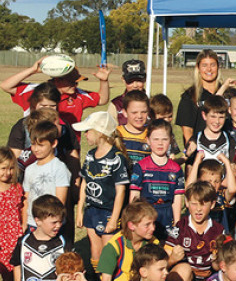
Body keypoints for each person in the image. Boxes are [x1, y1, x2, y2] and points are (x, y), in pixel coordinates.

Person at [74, 111, 130, 272]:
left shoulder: (116, 158)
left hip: (108, 212)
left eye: (88, 131)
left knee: (109, 252)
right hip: (91, 211)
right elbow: (85, 183)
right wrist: (80, 212)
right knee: (95, 251)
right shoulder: (91, 155)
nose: (85, 135)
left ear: (100, 133)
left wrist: (113, 219)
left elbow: (121, 192)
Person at [1, 56, 110, 130]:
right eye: (72, 82)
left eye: (77, 82)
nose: (76, 85)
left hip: (68, 151)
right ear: (58, 80)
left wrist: (104, 81)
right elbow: (6, 86)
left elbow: (102, 99)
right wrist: (32, 70)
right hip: (37, 148)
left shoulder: (78, 95)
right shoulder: (36, 91)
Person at [165, 181, 226, 281]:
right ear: (186, 203)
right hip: (185, 278)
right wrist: (173, 259)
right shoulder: (181, 227)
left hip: (207, 278)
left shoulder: (218, 230)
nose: (198, 209)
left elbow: (219, 266)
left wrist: (215, 260)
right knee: (184, 269)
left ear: (212, 204)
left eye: (203, 204)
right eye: (194, 204)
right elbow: (163, 260)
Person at [130, 119, 184, 236]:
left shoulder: (176, 169)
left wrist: (177, 222)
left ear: (171, 141)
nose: (160, 143)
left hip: (167, 215)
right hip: (146, 216)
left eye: (164, 139)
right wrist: (134, 219)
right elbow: (134, 196)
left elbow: (177, 198)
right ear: (148, 140)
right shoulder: (140, 167)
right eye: (156, 139)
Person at [176, 49, 233, 146]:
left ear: (218, 67)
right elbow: (187, 131)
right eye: (204, 65)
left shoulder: (229, 93)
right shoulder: (190, 96)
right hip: (202, 152)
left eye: (212, 65)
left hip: (226, 150)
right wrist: (194, 152)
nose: (209, 69)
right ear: (198, 68)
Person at [23, 120, 71, 213]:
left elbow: (60, 201)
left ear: (54, 144)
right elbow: (26, 199)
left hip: (50, 221)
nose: (36, 149)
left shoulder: (59, 168)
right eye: (33, 144)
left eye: (41, 145)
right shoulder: (29, 169)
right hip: (31, 223)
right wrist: (25, 222)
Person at [0, 147, 24, 281]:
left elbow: (22, 210)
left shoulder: (17, 188)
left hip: (12, 238)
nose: (7, 173)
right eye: (3, 168)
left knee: (9, 277)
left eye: (10, 168)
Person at [116, 90, 151, 172]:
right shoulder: (117, 133)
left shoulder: (152, 133)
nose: (139, 116)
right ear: (124, 113)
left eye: (143, 112)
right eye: (134, 112)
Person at [111, 60, 146, 126]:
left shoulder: (152, 103)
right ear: (123, 80)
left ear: (145, 79)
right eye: (130, 81)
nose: (135, 85)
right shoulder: (116, 104)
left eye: (139, 80)